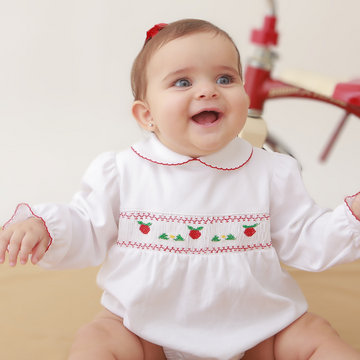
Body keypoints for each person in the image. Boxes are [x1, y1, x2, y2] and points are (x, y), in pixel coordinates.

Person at [0, 19, 359, 360]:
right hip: (143, 330)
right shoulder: (123, 171)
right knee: (97, 339)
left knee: (315, 334)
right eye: (182, 83)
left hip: (259, 328)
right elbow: (85, 224)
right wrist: (45, 226)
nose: (208, 89)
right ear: (146, 115)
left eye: (225, 77)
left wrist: (351, 217)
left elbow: (307, 238)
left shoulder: (271, 170)